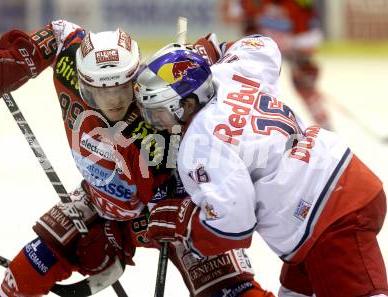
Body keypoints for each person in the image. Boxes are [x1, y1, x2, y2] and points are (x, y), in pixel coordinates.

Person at [0, 20, 275, 297]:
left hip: (174, 208)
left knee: (232, 291)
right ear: (82, 82)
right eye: (101, 91)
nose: (114, 100)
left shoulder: (159, 101)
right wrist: (25, 57)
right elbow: (63, 33)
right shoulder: (71, 62)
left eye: (123, 87)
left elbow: (220, 53)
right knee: (26, 271)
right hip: (100, 201)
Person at [135, 35, 388, 297]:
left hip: (327, 220)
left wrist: (184, 223)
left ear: (187, 104)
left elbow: (234, 225)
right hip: (337, 186)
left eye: (158, 112)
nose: (154, 122)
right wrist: (216, 51)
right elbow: (261, 45)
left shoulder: (199, 146)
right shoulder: (230, 72)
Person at [220, 0, 331, 129]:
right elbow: (230, 18)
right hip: (258, 48)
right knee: (247, 87)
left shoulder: (299, 5)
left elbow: (312, 41)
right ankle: (241, 125)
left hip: (293, 50)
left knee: (306, 84)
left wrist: (290, 45)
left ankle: (328, 129)